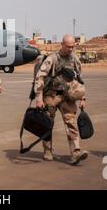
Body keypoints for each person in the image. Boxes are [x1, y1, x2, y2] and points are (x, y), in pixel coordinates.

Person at [34, 34, 88, 165]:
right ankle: (47, 151)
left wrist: (83, 97)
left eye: (72, 47)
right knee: (48, 124)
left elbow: (80, 78)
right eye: (68, 46)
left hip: (67, 96)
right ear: (62, 45)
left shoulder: (74, 58)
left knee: (71, 123)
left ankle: (75, 152)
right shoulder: (52, 59)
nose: (70, 49)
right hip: (51, 96)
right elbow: (40, 77)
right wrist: (39, 98)